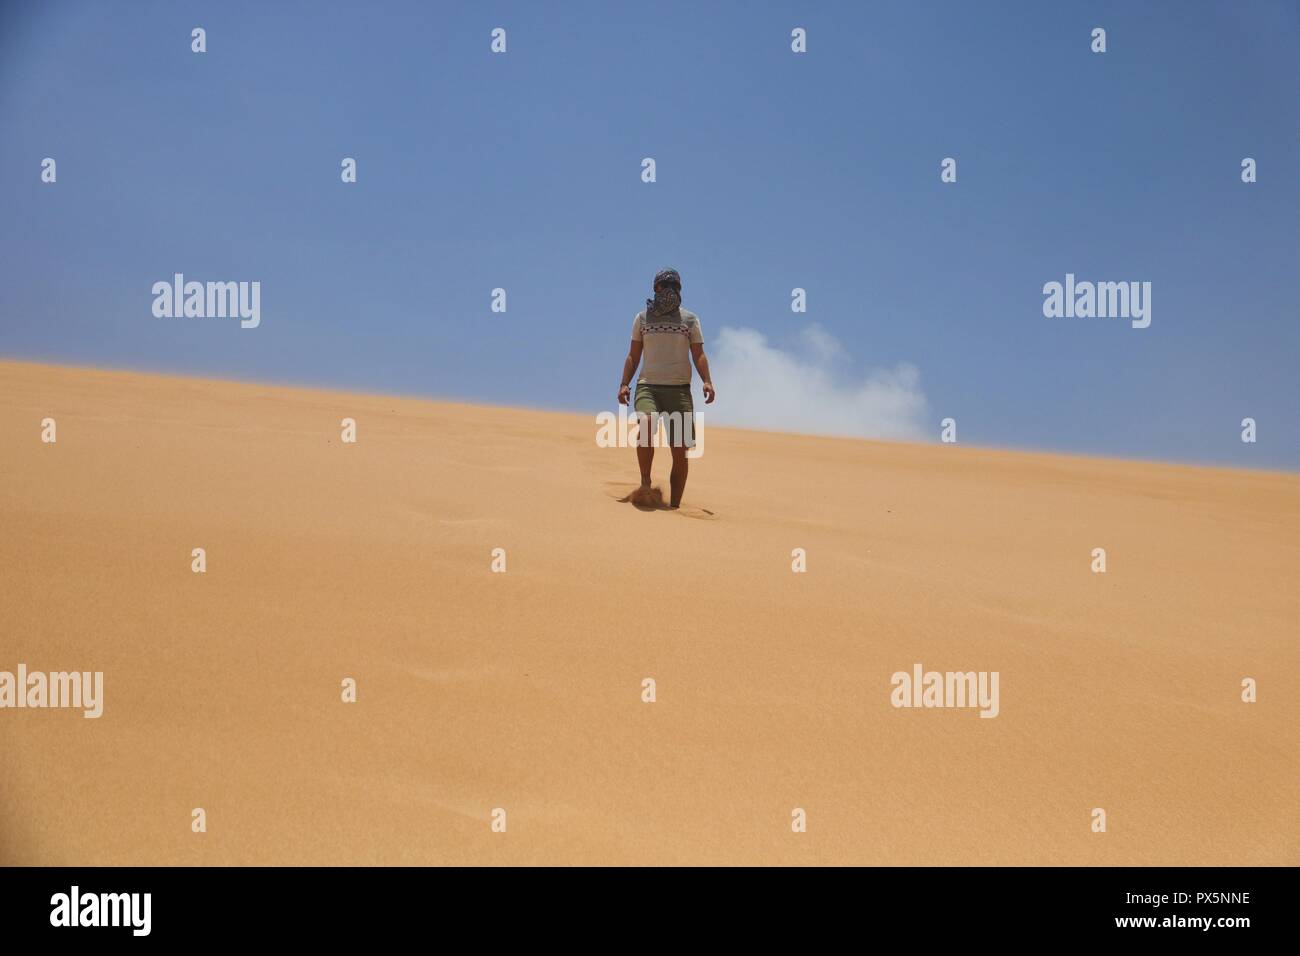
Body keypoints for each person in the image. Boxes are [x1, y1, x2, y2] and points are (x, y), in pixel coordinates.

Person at [617, 268, 716, 509]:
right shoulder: (642, 319)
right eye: (666, 285)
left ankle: (675, 507)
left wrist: (707, 380)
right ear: (656, 288)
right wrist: (624, 384)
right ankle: (645, 482)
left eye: (676, 286)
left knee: (680, 450)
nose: (671, 290)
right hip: (648, 386)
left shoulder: (690, 320)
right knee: (647, 423)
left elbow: (699, 354)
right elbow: (633, 355)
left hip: (679, 390)